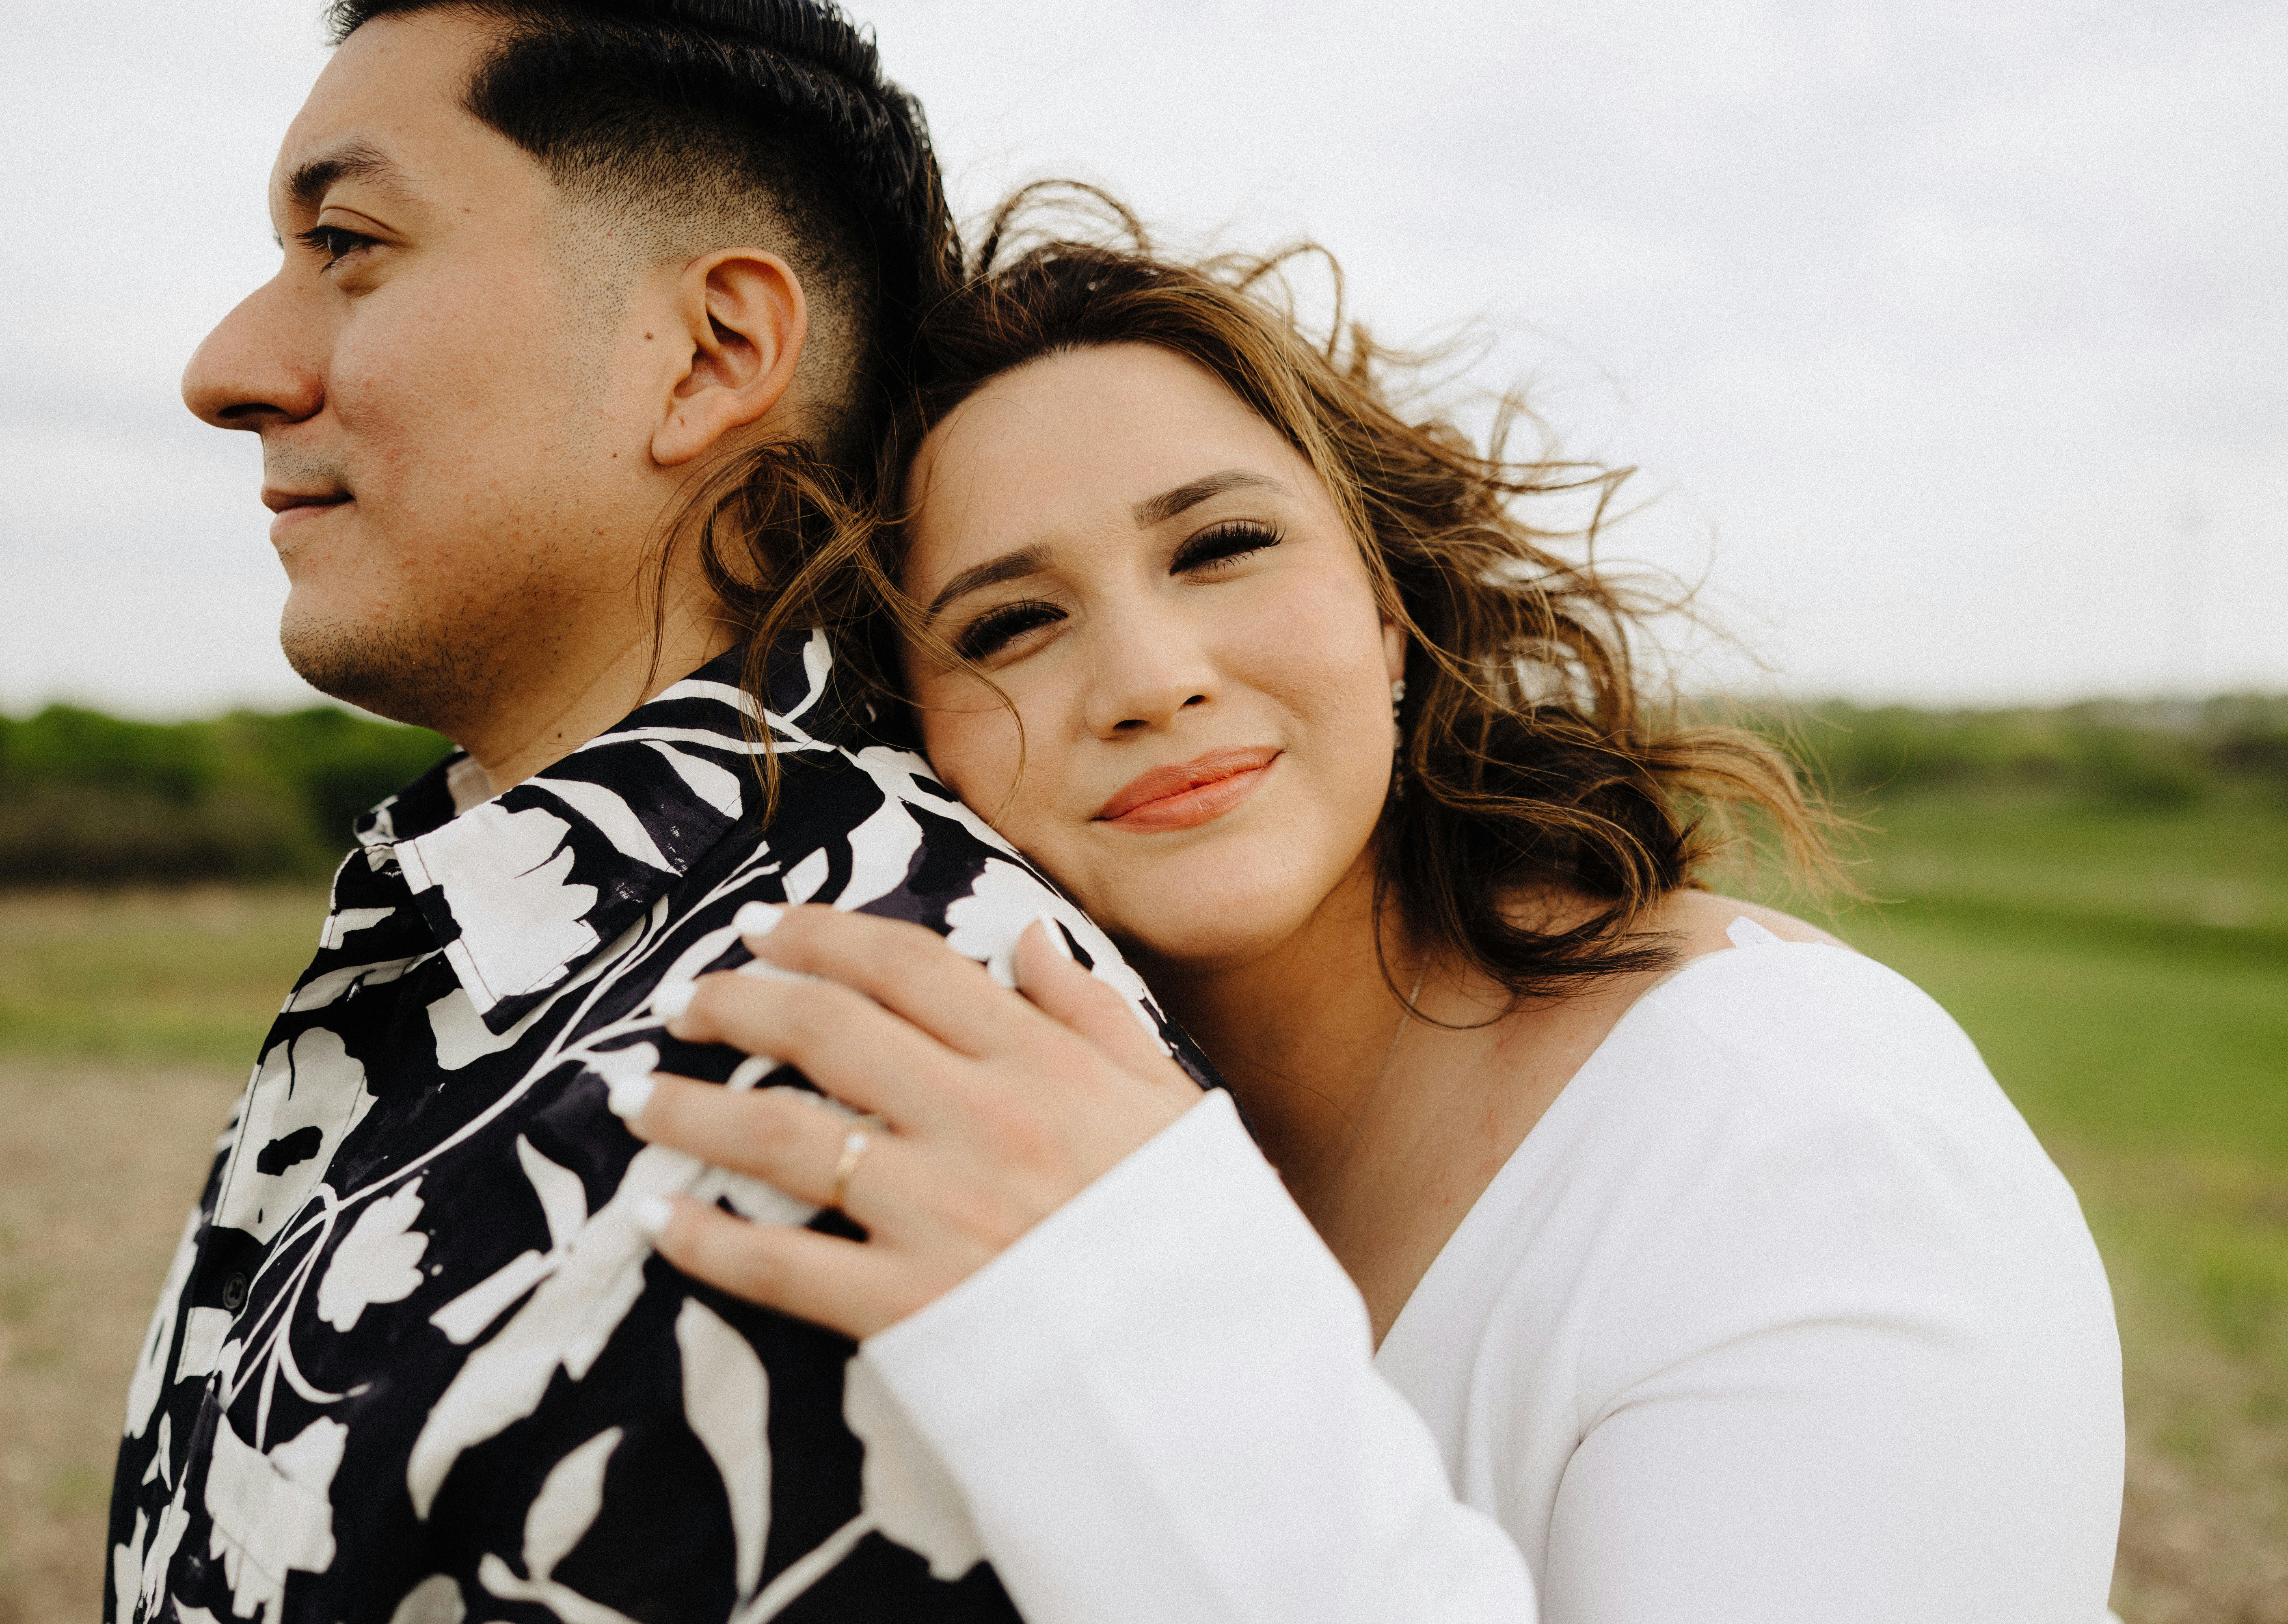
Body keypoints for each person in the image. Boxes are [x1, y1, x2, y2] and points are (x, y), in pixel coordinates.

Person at [616, 199, 2129, 1622]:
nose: (1150, 680)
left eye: (1222, 547)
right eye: (1011, 624)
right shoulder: (980, 1141)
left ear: (1388, 608)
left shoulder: (1792, 1136)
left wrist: (1128, 1331)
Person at [106, 13, 1220, 1624]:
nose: (229, 371)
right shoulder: (498, 923)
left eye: (347, 244)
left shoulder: (876, 1068)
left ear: (708, 354)